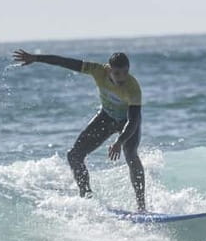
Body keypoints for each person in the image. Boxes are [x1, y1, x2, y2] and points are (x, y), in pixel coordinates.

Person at [12, 49, 147, 211]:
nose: (122, 78)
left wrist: (119, 142)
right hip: (106, 117)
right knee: (74, 156)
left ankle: (141, 207)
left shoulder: (133, 88)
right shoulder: (98, 70)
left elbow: (133, 120)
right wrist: (36, 58)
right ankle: (87, 196)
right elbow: (66, 62)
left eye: (125, 73)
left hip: (127, 121)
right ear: (109, 70)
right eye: (117, 73)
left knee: (131, 154)